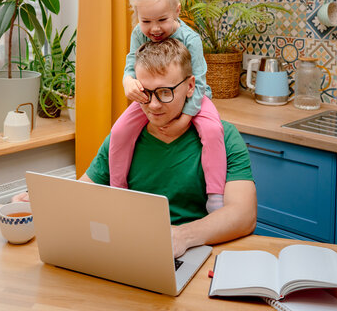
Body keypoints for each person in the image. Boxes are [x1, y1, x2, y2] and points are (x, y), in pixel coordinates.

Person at [15, 39, 257, 257]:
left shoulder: (225, 137)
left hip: (196, 253)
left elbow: (244, 215)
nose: (153, 105)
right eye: (144, 93)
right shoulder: (123, 139)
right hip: (130, 252)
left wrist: (182, 237)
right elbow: (84, 193)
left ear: (191, 86)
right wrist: (44, 200)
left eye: (165, 92)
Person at [109, 0, 227, 199]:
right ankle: (117, 190)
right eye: (146, 21)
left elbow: (200, 82)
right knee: (120, 130)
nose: (154, 29)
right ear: (137, 17)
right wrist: (127, 81)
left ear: (177, 11)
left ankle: (215, 195)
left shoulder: (190, 39)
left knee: (213, 130)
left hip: (194, 98)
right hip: (153, 97)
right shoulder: (138, 33)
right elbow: (131, 64)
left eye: (162, 20)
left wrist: (185, 118)